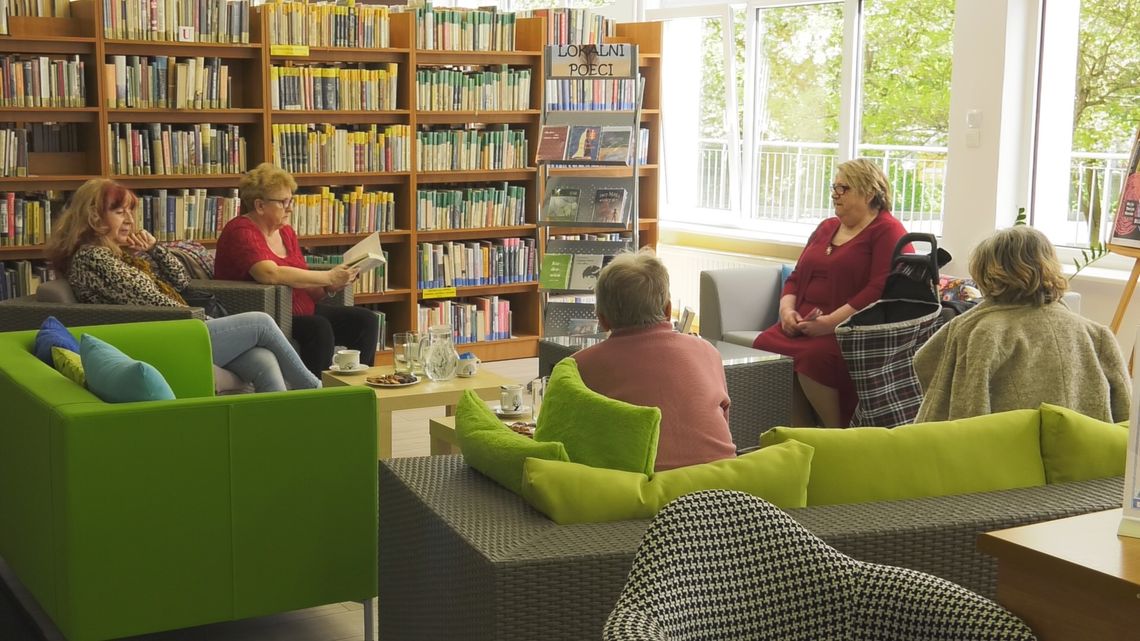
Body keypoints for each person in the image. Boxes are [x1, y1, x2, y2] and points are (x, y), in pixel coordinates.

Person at [45, 179, 320, 393]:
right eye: (119, 212)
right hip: (166, 334)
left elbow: (181, 282)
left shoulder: (120, 255)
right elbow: (151, 302)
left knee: (262, 359)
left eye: (130, 211)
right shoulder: (94, 257)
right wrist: (200, 317)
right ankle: (316, 390)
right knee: (260, 323)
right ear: (94, 217)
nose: (130, 220)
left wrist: (155, 249)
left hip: (176, 324)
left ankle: (279, 428)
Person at [913, 225, 1129, 423]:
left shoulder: (981, 333)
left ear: (985, 272)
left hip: (1007, 460)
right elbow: (1126, 417)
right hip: (1084, 461)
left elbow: (961, 416)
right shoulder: (1096, 335)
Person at [752, 158, 908, 427]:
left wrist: (831, 323)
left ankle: (836, 432)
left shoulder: (887, 231)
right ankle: (798, 434)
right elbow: (797, 277)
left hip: (850, 329)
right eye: (833, 187)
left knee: (814, 359)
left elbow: (879, 288)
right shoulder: (826, 227)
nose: (835, 194)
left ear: (869, 192)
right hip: (803, 325)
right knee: (766, 345)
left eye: (843, 188)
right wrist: (786, 312)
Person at [570, 249, 736, 471]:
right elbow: (723, 422)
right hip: (724, 483)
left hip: (644, 491)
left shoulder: (580, 365)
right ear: (668, 310)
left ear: (602, 320)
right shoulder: (708, 352)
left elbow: (571, 440)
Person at [213, 163, 379, 376]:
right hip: (268, 316)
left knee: (365, 321)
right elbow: (269, 273)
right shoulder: (241, 230)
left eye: (291, 200)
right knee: (318, 327)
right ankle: (316, 396)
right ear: (260, 205)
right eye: (283, 202)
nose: (290, 207)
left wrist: (330, 286)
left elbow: (307, 287)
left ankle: (359, 389)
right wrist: (327, 275)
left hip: (300, 312)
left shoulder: (286, 233)